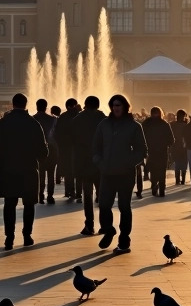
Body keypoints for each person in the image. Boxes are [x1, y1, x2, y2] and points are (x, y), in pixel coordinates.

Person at [0, 94, 47, 249]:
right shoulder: (33, 123)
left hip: (8, 169)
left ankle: (9, 238)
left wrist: (1, 162)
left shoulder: (4, 122)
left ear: (12, 105)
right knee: (29, 204)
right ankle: (27, 236)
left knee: (9, 204)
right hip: (28, 169)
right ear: (26, 104)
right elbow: (43, 152)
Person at [92, 94, 147, 254]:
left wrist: (129, 163)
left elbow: (142, 150)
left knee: (124, 207)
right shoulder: (104, 125)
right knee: (103, 205)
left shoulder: (134, 126)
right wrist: (99, 162)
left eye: (119, 105)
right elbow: (95, 147)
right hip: (107, 172)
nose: (116, 108)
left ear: (125, 107)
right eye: (113, 105)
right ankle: (109, 230)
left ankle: (124, 240)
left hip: (125, 173)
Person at [71, 96, 106, 234]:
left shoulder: (77, 120)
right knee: (103, 195)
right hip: (101, 163)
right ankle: (104, 225)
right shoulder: (104, 119)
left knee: (87, 196)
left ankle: (89, 225)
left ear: (85, 105)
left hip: (84, 162)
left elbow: (72, 141)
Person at [142, 106, 174, 198]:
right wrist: (166, 144)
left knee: (154, 169)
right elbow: (171, 140)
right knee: (161, 170)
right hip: (162, 151)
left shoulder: (146, 123)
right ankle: (162, 189)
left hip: (151, 151)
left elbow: (141, 136)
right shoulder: (164, 124)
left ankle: (154, 184)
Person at [55, 98, 80, 200]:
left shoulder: (62, 117)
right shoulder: (79, 115)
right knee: (78, 171)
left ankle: (69, 191)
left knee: (68, 171)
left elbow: (57, 133)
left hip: (65, 148)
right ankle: (77, 192)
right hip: (77, 148)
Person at [33, 99, 57, 204]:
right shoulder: (53, 120)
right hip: (51, 149)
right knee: (51, 174)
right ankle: (50, 196)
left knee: (40, 173)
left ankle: (40, 195)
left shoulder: (32, 119)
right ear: (46, 107)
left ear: (36, 106)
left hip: (37, 149)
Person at [170, 109, 189, 186]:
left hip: (175, 146)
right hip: (184, 146)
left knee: (177, 163)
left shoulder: (172, 124)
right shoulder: (186, 125)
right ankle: (183, 179)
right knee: (184, 162)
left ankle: (177, 179)